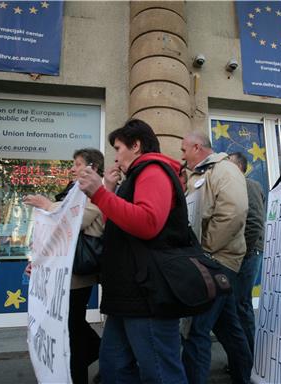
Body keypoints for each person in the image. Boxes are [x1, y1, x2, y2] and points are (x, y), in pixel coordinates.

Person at [77, 119, 187, 383]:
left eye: (118, 148)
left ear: (136, 145)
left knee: (161, 374)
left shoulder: (153, 170)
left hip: (148, 296)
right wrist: (109, 190)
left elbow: (148, 223)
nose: (115, 156)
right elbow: (114, 228)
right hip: (128, 295)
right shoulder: (134, 178)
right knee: (114, 369)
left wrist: (101, 194)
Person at [24, 148, 104, 384]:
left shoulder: (94, 192)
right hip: (62, 274)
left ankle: (84, 364)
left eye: (78, 164)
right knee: (70, 326)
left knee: (71, 329)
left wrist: (46, 205)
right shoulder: (71, 193)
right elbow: (54, 234)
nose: (72, 168)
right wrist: (37, 263)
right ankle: (93, 356)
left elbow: (75, 221)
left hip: (77, 274)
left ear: (93, 168)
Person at [180, 132, 252, 384]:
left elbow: (234, 213)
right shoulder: (200, 174)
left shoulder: (224, 170)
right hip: (211, 261)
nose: (182, 155)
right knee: (227, 327)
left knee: (196, 331)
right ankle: (244, 377)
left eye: (184, 150)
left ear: (197, 147)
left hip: (216, 262)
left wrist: (206, 250)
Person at [228, 152, 265, 356]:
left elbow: (255, 222)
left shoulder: (248, 185)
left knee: (241, 305)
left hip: (248, 253)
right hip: (245, 253)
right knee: (237, 305)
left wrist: (243, 252)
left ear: (240, 167)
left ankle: (252, 361)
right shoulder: (237, 186)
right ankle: (244, 359)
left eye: (229, 164)